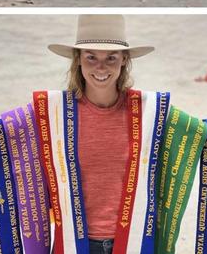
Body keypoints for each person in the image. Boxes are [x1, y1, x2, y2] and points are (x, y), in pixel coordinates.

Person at [45, 14, 155, 254]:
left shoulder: (147, 111)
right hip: (76, 243)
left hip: (132, 241)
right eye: (91, 57)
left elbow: (200, 133)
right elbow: (0, 136)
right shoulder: (55, 114)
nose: (101, 67)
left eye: (111, 58)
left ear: (124, 59)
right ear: (78, 60)